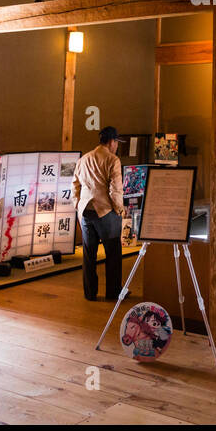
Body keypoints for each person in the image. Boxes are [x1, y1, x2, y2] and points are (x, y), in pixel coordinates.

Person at [75, 126, 125, 301]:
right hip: (105, 211)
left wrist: (77, 205)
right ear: (112, 142)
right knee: (113, 253)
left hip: (85, 211)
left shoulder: (84, 159)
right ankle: (113, 293)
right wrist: (120, 209)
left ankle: (90, 293)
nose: (117, 146)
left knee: (89, 254)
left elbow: (75, 185)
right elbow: (115, 190)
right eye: (117, 142)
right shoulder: (113, 160)